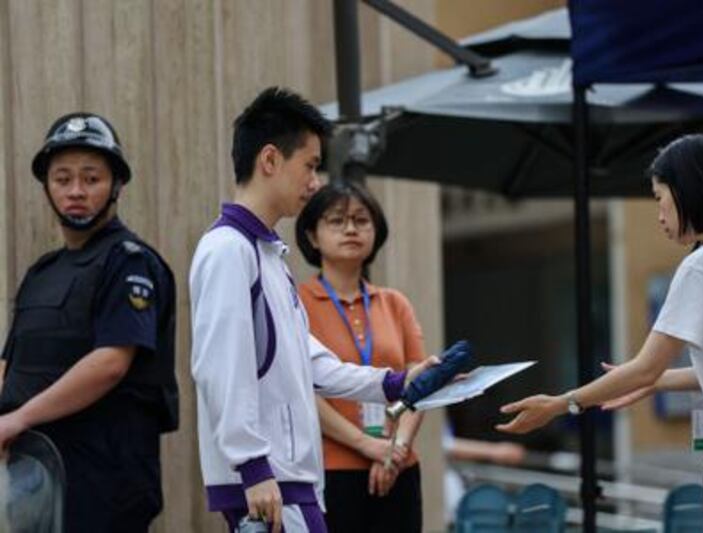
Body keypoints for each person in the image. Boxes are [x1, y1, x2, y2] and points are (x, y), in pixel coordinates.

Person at [496, 134, 703, 532]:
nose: (658, 213)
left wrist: (562, 404)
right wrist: (656, 384)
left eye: (659, 197)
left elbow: (644, 366)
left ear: (688, 190)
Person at [189, 87, 440, 533]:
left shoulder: (268, 256)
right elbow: (219, 368)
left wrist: (395, 383)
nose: (315, 182)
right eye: (310, 165)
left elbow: (310, 363)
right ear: (269, 160)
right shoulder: (228, 250)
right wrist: (252, 466)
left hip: (290, 480)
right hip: (270, 482)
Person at [0, 112, 179, 532]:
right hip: (36, 478)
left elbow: (110, 362)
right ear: (47, 187)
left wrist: (18, 418)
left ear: (116, 184)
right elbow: (11, 360)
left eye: (91, 178)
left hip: (104, 481)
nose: (76, 191)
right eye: (62, 179)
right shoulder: (42, 272)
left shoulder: (129, 262)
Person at [294, 180, 425, 532]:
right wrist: (367, 445)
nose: (351, 228)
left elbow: (421, 383)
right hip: (331, 469)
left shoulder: (395, 303)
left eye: (361, 220)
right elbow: (301, 389)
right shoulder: (295, 302)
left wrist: (394, 449)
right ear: (311, 236)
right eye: (336, 220)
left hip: (400, 468)